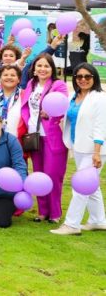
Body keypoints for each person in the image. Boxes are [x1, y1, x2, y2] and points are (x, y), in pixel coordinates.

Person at [51, 63, 106, 235]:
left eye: (87, 76)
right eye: (79, 76)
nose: (83, 80)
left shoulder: (100, 98)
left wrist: (97, 152)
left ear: (94, 78)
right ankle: (98, 220)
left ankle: (72, 225)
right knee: (92, 186)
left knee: (81, 186)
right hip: (78, 146)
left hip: (94, 149)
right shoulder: (73, 97)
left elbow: (100, 126)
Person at [20, 53, 69, 223]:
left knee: (53, 175)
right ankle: (42, 211)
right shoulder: (30, 85)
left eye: (46, 66)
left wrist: (51, 114)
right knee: (39, 175)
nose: (42, 69)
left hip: (52, 137)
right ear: (33, 69)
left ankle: (55, 213)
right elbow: (26, 108)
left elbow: (63, 106)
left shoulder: (58, 85)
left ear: (52, 69)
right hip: (34, 136)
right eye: (39, 66)